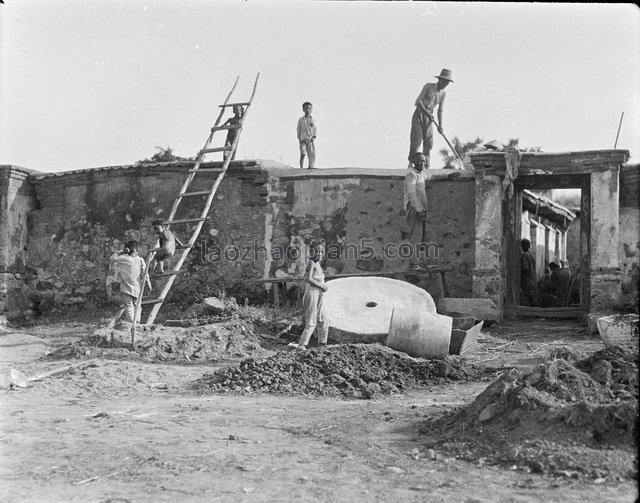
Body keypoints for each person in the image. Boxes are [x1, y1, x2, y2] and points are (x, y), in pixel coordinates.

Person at [408, 68, 453, 168]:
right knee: (416, 140)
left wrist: (440, 126)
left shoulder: (443, 94)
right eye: (445, 81)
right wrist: (427, 113)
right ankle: (411, 163)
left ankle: (426, 165)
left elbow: (440, 110)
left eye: (447, 82)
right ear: (440, 80)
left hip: (429, 118)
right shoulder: (429, 86)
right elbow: (418, 102)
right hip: (419, 115)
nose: (446, 84)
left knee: (429, 142)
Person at [290, 242, 329, 350]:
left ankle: (322, 343)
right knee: (312, 320)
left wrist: (321, 287)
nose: (320, 254)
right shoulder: (311, 262)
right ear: (312, 253)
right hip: (312, 293)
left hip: (319, 293)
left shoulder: (318, 264)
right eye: (317, 251)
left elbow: (306, 277)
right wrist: (321, 285)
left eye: (321, 251)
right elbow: (308, 279)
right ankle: (302, 345)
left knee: (323, 318)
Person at [109, 240, 151, 323]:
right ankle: (137, 322)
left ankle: (132, 323)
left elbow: (112, 258)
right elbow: (145, 274)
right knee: (138, 306)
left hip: (126, 288)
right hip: (137, 288)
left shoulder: (122, 259)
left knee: (128, 306)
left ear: (127, 250)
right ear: (136, 251)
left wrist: (120, 251)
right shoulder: (140, 260)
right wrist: (148, 284)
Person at [297, 102, 317, 169]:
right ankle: (301, 167)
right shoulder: (301, 120)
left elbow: (314, 129)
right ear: (303, 109)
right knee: (303, 153)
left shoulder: (312, 120)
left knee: (311, 154)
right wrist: (300, 138)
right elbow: (298, 129)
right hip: (303, 139)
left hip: (310, 139)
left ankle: (311, 166)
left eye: (309, 108)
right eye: (306, 108)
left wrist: (314, 137)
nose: (308, 110)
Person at [520, 239, 538, 306]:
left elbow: (525, 268)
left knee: (526, 298)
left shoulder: (524, 255)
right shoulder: (531, 255)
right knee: (532, 298)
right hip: (532, 280)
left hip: (527, 280)